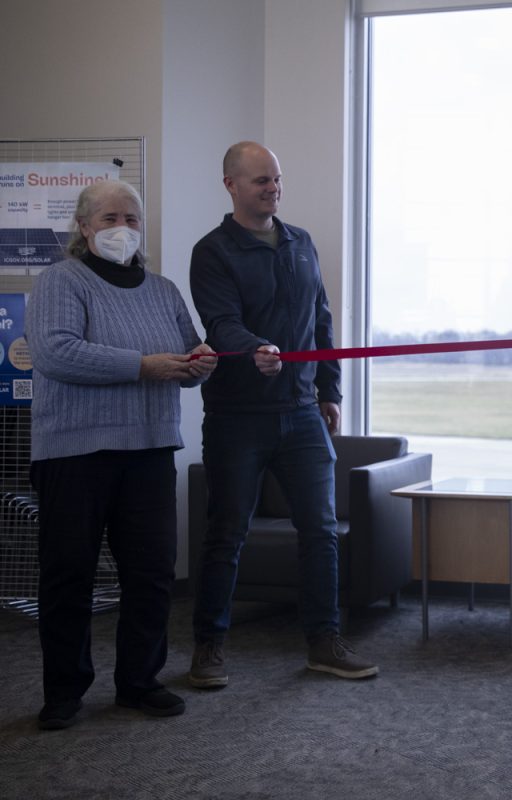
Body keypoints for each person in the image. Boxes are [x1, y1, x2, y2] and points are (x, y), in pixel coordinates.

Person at [26, 179, 217, 730]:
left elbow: (185, 354)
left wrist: (200, 361)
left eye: (131, 219)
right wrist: (144, 365)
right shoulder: (62, 280)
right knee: (69, 575)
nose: (122, 229)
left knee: (152, 573)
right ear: (84, 228)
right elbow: (57, 352)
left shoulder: (162, 290)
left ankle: (139, 681)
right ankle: (64, 691)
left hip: (150, 449)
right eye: (109, 218)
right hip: (74, 453)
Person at [188, 142, 376, 688]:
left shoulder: (301, 244)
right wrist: (256, 348)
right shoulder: (214, 251)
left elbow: (321, 319)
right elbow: (219, 324)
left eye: (276, 179)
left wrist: (329, 389)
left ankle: (324, 641)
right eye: (260, 181)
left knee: (319, 530)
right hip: (237, 415)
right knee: (227, 533)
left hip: (300, 412)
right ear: (231, 185)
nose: (272, 188)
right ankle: (208, 647)